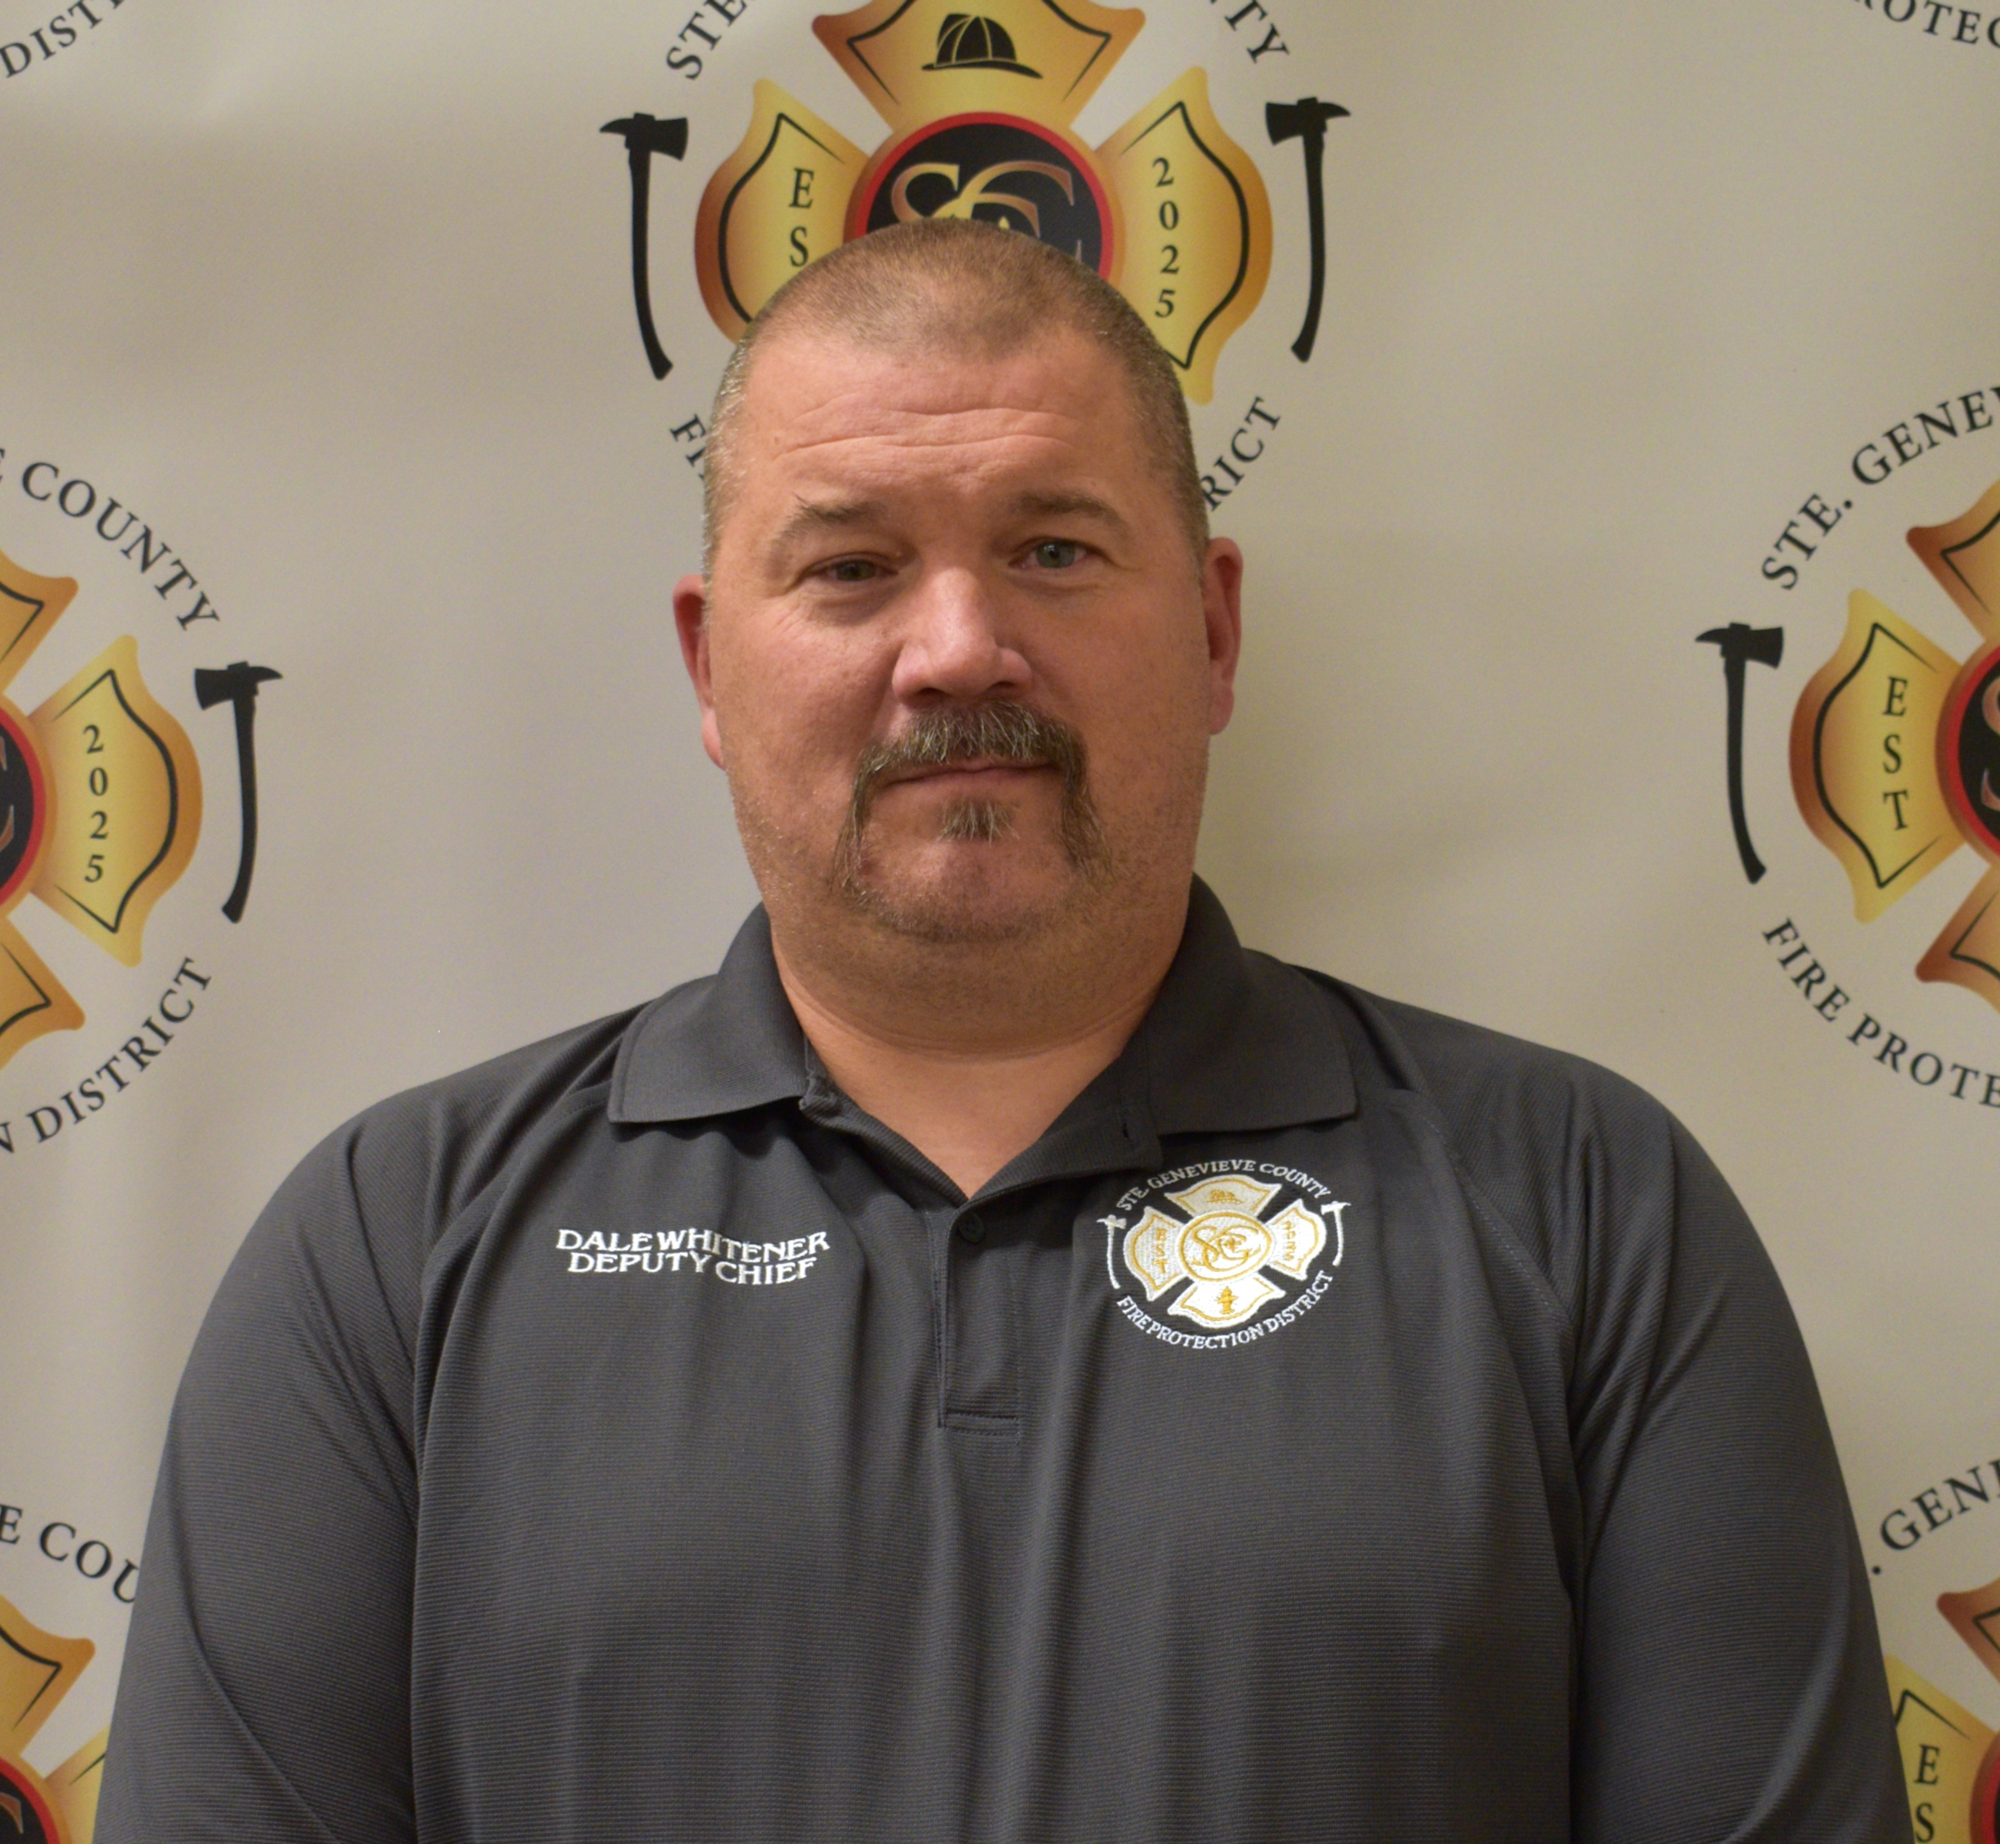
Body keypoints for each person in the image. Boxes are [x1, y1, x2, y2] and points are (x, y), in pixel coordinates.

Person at [98, 219, 1909, 1842]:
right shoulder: (394, 1248)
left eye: (1053, 547)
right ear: (707, 665)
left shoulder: (1588, 1210)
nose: (959, 647)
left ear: (1209, 634)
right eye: (851, 567)